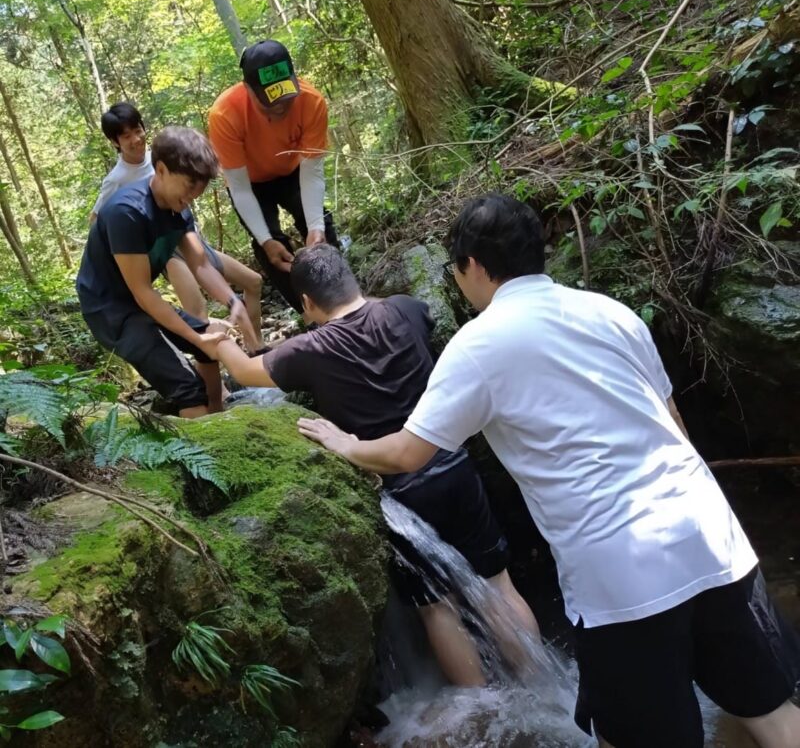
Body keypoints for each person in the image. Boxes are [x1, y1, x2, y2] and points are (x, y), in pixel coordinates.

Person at [297, 195, 800, 748]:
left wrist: (346, 443)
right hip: (713, 536)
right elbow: (674, 424)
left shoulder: (478, 345)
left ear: (473, 265)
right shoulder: (611, 312)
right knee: (770, 712)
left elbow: (406, 454)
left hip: (621, 571)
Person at [205, 244, 539, 687]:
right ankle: (541, 686)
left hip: (401, 497)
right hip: (454, 466)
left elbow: (246, 373)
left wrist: (220, 339)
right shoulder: (404, 310)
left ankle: (485, 711)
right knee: (499, 585)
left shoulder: (309, 349)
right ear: (351, 278)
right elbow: (416, 318)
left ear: (306, 303)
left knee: (437, 607)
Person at [77, 126, 258, 418]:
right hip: (111, 311)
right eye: (189, 186)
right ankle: (210, 441)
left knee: (212, 338)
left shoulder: (178, 207)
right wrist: (196, 339)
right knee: (188, 389)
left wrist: (232, 302)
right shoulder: (128, 213)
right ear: (161, 170)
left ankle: (219, 413)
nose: (193, 196)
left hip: (138, 300)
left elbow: (200, 264)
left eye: (198, 189)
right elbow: (143, 291)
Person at [91, 102, 266, 352]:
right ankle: (221, 385)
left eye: (137, 130)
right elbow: (97, 220)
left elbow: (201, 260)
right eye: (126, 136)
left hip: (187, 237)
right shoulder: (116, 180)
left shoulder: (164, 156)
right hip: (165, 249)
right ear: (115, 142)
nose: (136, 139)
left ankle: (256, 348)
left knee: (253, 281)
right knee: (198, 313)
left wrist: (230, 300)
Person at [208, 39, 338, 313]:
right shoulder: (225, 114)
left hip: (294, 172)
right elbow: (239, 187)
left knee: (321, 226)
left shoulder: (311, 101)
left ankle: (341, 299)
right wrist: (267, 240)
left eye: (285, 98)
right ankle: (309, 314)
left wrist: (315, 227)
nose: (280, 107)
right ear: (248, 90)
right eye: (269, 102)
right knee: (270, 247)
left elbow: (312, 171)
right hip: (251, 184)